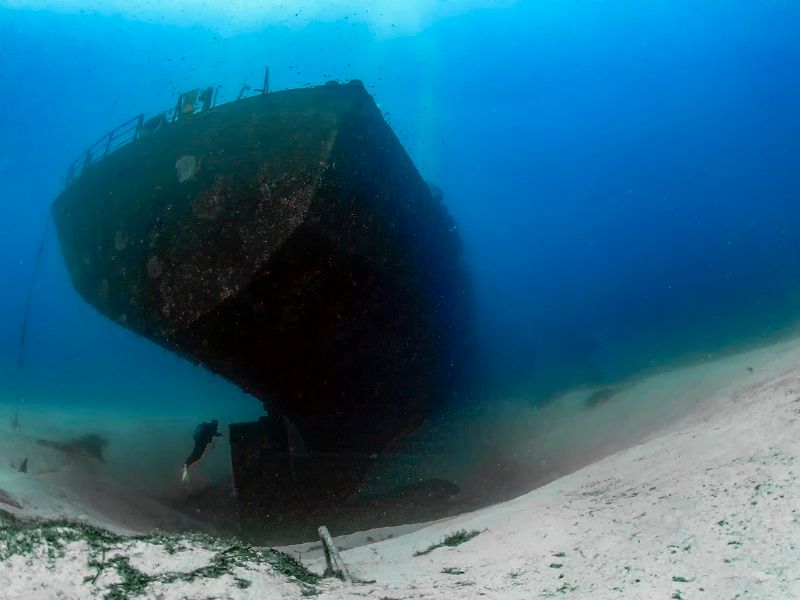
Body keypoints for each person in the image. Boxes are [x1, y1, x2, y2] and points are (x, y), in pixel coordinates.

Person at [181, 419, 223, 485]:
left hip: (200, 443)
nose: (217, 426)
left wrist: (219, 434)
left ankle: (186, 464)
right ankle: (186, 465)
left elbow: (213, 434)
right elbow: (213, 433)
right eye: (216, 425)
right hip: (201, 444)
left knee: (196, 455)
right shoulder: (211, 428)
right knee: (197, 455)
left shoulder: (208, 427)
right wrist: (219, 435)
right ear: (214, 424)